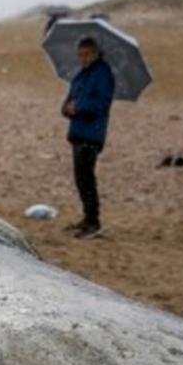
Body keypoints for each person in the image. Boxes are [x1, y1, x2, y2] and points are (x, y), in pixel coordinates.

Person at [61, 36, 115, 239]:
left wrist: (79, 108)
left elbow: (101, 104)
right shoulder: (82, 75)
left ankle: (94, 221)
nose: (83, 58)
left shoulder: (103, 74)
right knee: (81, 179)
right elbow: (70, 99)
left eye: (87, 54)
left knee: (86, 178)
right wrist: (66, 108)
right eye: (80, 54)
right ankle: (87, 218)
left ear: (95, 53)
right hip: (78, 131)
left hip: (92, 134)